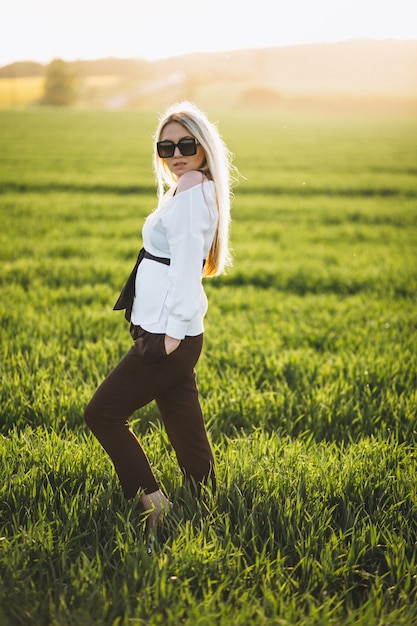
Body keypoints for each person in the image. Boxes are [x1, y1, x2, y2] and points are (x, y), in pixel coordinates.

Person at [84, 101, 234, 532]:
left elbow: (187, 266)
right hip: (168, 330)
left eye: (187, 143)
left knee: (102, 415)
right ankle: (207, 503)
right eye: (166, 146)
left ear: (204, 147)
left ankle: (154, 505)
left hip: (170, 333)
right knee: (184, 420)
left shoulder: (190, 190)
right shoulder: (186, 187)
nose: (177, 153)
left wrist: (170, 335)